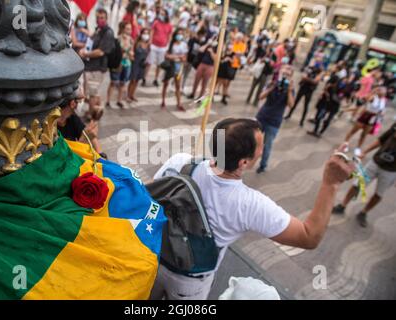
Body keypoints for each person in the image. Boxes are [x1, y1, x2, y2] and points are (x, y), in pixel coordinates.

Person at [150, 118, 354, 300]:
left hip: (153, 259)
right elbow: (309, 236)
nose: (263, 149)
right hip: (190, 284)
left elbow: (148, 200)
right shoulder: (250, 205)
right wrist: (330, 183)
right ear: (244, 162)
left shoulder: (180, 163)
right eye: (261, 146)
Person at [332, 122, 396, 227]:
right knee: (358, 184)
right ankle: (342, 205)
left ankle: (363, 212)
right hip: (376, 162)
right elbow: (381, 139)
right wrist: (365, 151)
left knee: (379, 194)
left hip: (391, 171)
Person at [255, 65, 295, 174]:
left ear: (291, 77)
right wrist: (272, 88)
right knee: (253, 140)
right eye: (284, 72)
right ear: (280, 73)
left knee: (267, 145)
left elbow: (291, 105)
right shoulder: (272, 83)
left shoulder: (291, 89)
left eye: (288, 74)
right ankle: (247, 161)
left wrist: (289, 91)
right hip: (262, 116)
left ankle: (263, 165)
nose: (285, 75)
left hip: (274, 121)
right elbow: (260, 97)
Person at [79, 9, 115, 114]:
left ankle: (91, 116)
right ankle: (95, 112)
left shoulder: (108, 32)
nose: (100, 20)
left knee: (93, 93)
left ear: (107, 18)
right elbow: (91, 42)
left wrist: (85, 54)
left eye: (102, 18)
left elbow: (100, 52)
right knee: (94, 92)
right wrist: (84, 49)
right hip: (91, 66)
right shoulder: (98, 29)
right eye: (98, 18)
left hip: (97, 68)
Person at [343, 86, 387, 153]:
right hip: (365, 115)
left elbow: (382, 109)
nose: (383, 92)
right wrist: (373, 91)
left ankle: (358, 148)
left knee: (364, 134)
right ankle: (345, 144)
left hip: (373, 118)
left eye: (384, 91)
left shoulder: (383, 100)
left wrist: (382, 113)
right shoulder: (373, 97)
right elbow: (366, 100)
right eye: (381, 90)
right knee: (353, 131)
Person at [106, 21, 134, 109]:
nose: (129, 31)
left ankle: (119, 100)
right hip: (118, 63)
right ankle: (108, 100)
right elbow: (114, 52)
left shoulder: (131, 40)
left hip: (127, 63)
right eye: (127, 29)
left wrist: (131, 53)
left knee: (123, 82)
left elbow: (132, 53)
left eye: (130, 29)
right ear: (122, 29)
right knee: (113, 82)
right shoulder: (117, 39)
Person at [161, 28, 188, 111]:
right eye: (178, 34)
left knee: (178, 85)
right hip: (170, 66)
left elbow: (184, 58)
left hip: (179, 67)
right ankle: (163, 100)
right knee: (166, 83)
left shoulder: (184, 45)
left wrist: (179, 58)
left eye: (181, 34)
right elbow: (166, 56)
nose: (179, 36)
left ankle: (179, 103)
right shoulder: (171, 44)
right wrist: (178, 57)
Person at [307, 74, 341, 138]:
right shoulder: (335, 87)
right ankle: (319, 132)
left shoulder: (330, 87)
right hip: (329, 106)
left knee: (319, 117)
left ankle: (316, 131)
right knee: (322, 118)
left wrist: (326, 91)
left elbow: (327, 96)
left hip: (326, 105)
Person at [146, 8, 173, 87]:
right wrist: (150, 41)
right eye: (160, 14)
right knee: (149, 62)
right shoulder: (156, 22)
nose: (161, 15)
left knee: (159, 64)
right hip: (154, 45)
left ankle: (156, 79)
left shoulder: (169, 25)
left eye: (163, 14)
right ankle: (144, 77)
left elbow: (169, 35)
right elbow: (152, 32)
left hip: (162, 47)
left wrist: (168, 45)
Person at [188, 35, 217, 100]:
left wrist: (211, 51)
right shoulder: (208, 45)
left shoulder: (217, 47)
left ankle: (200, 97)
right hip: (202, 63)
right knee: (196, 79)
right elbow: (200, 50)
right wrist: (207, 44)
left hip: (210, 66)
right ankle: (193, 93)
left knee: (205, 82)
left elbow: (215, 59)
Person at [127, 28, 150, 102]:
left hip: (142, 64)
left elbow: (148, 54)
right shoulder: (137, 43)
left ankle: (132, 95)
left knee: (137, 80)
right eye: (144, 33)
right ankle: (128, 95)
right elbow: (132, 51)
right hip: (135, 63)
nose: (145, 35)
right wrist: (131, 57)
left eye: (147, 33)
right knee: (133, 80)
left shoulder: (148, 45)